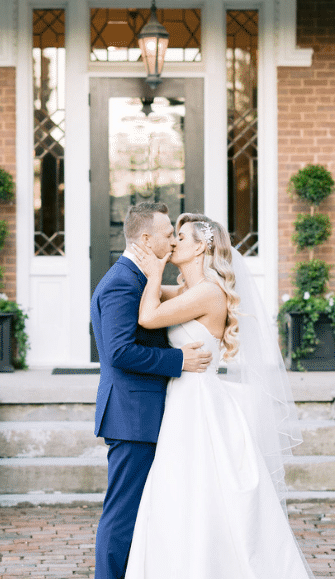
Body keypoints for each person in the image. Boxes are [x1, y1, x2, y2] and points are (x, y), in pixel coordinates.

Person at [124, 213, 315, 579]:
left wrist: (152, 273)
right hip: (183, 399)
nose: (174, 242)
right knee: (180, 489)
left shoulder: (209, 292)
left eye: (181, 236)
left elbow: (148, 317)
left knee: (204, 488)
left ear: (201, 247)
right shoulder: (187, 291)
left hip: (199, 403)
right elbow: (141, 299)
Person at [91, 202, 214, 579]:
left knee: (143, 513)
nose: (173, 241)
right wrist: (178, 361)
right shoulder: (121, 282)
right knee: (123, 514)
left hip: (147, 413)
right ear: (146, 239)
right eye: (166, 235)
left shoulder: (139, 278)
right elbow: (118, 351)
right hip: (133, 415)